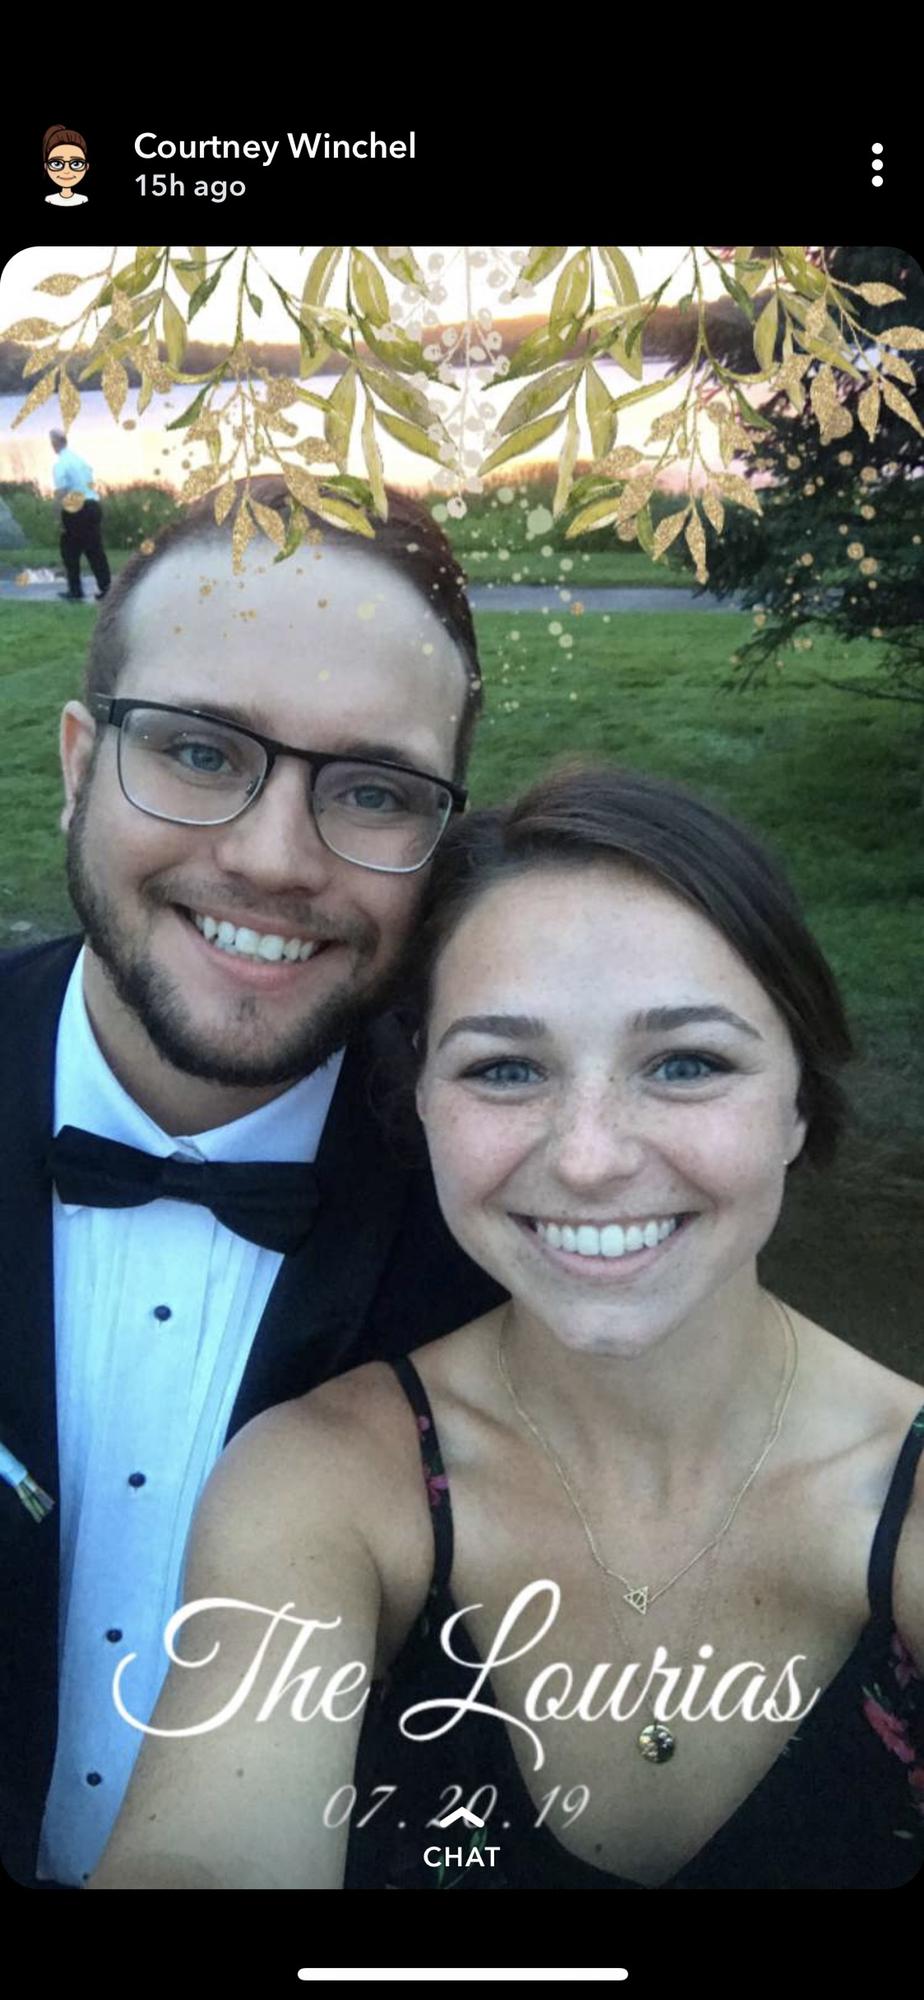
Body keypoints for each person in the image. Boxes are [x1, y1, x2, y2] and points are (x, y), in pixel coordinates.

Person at [88, 762, 924, 1893]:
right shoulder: (323, 1486)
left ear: (798, 1105)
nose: (589, 1157)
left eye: (686, 1064)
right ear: (422, 1101)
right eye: (507, 1068)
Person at [0, 475, 505, 1891]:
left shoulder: (517, 1215)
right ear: (78, 763)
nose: (274, 860)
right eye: (199, 750)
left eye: (373, 790)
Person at [50, 429, 111, 603]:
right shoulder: (80, 461)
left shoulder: (61, 464)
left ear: (56, 443)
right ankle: (106, 587)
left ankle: (75, 589)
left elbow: (62, 492)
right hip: (92, 505)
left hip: (76, 508)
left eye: (52, 441)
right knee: (95, 549)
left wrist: (58, 516)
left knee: (69, 550)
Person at [43, 125, 90, 205]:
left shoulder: (83, 199)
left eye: (76, 164)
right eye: (57, 164)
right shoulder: (49, 199)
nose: (66, 171)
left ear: (86, 166)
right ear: (46, 166)